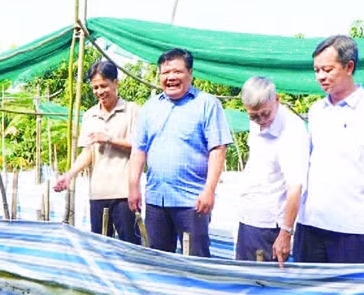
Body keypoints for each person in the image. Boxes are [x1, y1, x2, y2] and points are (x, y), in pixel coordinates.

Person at [293, 35, 364, 263]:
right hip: (310, 224)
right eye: (316, 70)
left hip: (354, 229)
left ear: (349, 66)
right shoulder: (316, 111)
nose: (320, 77)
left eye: (327, 69)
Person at [128, 48, 233, 257]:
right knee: (156, 260)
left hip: (192, 202)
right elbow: (138, 150)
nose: (171, 78)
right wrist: (133, 187)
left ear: (190, 73)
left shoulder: (207, 104)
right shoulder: (150, 107)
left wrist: (209, 190)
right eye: (165, 73)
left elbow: (218, 149)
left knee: (196, 260)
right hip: (157, 199)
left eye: (177, 72)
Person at [54, 60, 141, 244]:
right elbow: (88, 153)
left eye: (104, 86)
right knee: (100, 247)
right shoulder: (89, 115)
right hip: (98, 193)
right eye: (95, 87)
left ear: (116, 83)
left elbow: (139, 146)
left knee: (130, 247)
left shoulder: (132, 111)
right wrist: (69, 175)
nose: (99, 92)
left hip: (125, 194)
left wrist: (108, 139)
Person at [236, 76, 309, 267]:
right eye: (253, 116)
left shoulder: (293, 131)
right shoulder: (257, 122)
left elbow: (296, 187)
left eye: (265, 114)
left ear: (276, 99)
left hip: (270, 227)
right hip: (249, 217)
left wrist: (285, 233)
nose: (261, 121)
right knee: (242, 284)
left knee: (264, 288)